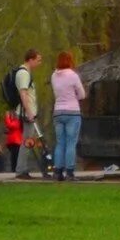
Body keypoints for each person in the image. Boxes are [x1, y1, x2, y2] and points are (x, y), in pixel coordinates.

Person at [5, 49, 44, 177]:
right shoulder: (24, 74)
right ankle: (21, 170)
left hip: (27, 111)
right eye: (38, 60)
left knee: (27, 140)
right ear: (30, 59)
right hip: (27, 112)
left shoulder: (25, 73)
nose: (39, 63)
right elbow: (23, 93)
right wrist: (29, 112)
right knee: (27, 141)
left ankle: (22, 168)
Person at [49, 51, 86, 180]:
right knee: (71, 142)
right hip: (72, 112)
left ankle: (58, 171)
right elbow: (82, 94)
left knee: (60, 142)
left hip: (58, 111)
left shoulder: (54, 76)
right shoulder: (73, 75)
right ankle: (69, 171)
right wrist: (73, 97)